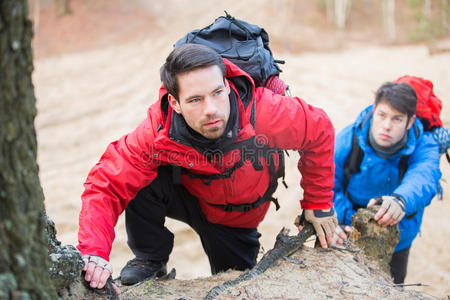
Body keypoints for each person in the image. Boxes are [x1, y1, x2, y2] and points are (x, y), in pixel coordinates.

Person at [77, 43, 344, 292]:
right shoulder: (159, 129)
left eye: (217, 92)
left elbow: (318, 129)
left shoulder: (263, 111)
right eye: (195, 100)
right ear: (175, 103)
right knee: (140, 179)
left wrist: (318, 203)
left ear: (227, 85)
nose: (212, 109)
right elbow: (106, 183)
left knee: (237, 286)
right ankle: (150, 258)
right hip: (188, 194)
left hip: (235, 220)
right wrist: (94, 252)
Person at [333, 82, 441, 284]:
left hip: (397, 239)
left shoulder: (424, 144)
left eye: (397, 118)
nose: (387, 125)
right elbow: (327, 184)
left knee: (391, 288)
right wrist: (343, 219)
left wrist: (401, 201)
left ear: (410, 121)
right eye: (382, 115)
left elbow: (425, 176)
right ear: (374, 110)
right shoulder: (349, 138)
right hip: (346, 232)